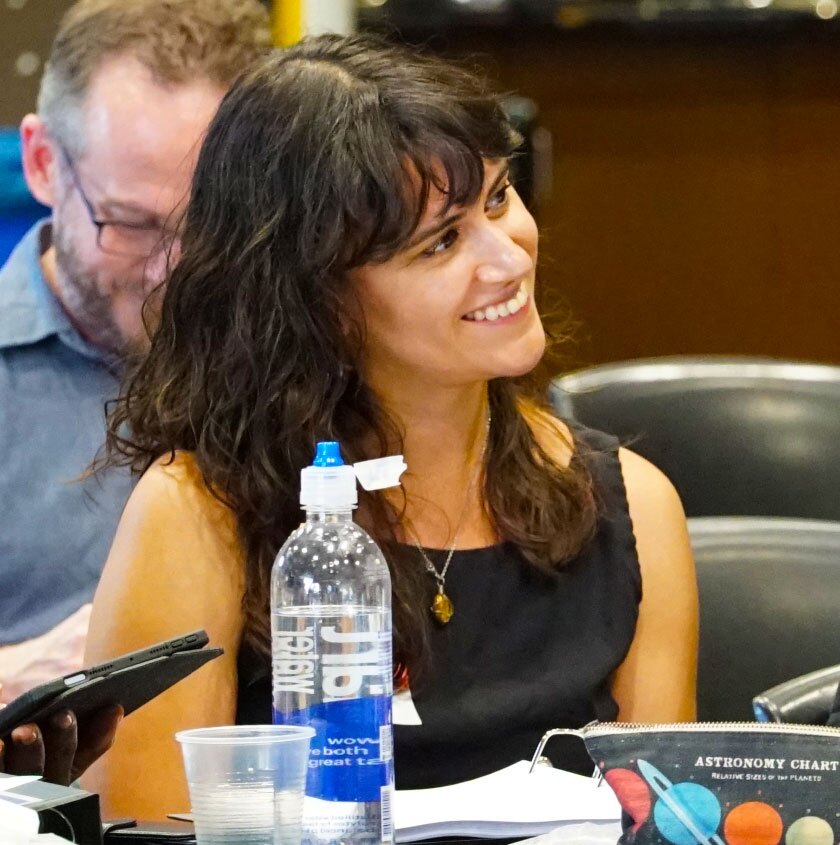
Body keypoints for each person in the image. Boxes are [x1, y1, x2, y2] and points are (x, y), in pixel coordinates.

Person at [84, 34, 699, 820]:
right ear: (321, 302)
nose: (507, 258)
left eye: (500, 198)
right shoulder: (196, 517)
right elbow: (151, 830)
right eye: (441, 241)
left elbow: (668, 825)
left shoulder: (632, 507)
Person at [0, 0, 270, 718]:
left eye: (210, 222)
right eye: (133, 224)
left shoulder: (293, 356)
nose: (170, 272)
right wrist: (17, 680)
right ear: (43, 164)